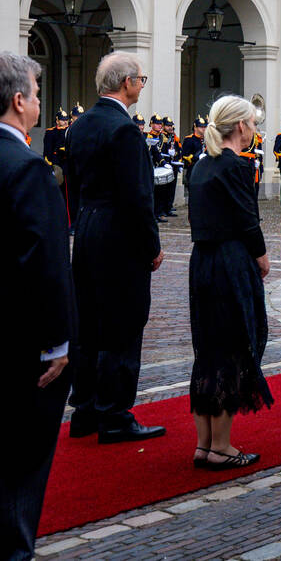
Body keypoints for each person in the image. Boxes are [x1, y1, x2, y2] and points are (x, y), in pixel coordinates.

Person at [64, 51, 165, 443]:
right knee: (122, 323)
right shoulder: (124, 131)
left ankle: (85, 410)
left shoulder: (81, 126)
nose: (142, 84)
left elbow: (73, 181)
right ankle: (115, 414)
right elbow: (137, 196)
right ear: (127, 83)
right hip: (119, 235)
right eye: (141, 78)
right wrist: (152, 245)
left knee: (88, 324)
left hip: (87, 229)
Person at [0, 52, 74, 561]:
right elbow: (45, 262)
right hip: (18, 345)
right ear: (18, 100)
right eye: (36, 91)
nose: (40, 101)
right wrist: (58, 343)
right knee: (19, 469)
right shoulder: (27, 168)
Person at [187, 95, 272, 470]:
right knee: (233, 349)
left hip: (202, 261)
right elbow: (246, 219)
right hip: (229, 262)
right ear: (240, 127)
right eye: (252, 124)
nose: (254, 130)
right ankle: (221, 446)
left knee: (207, 350)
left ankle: (204, 444)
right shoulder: (236, 166)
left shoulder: (202, 165)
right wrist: (262, 256)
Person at [42, 107, 71, 219]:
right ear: (57, 120)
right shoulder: (51, 132)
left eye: (65, 119)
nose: (64, 121)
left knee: (67, 194)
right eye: (62, 119)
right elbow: (47, 151)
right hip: (56, 164)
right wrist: (50, 166)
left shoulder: (70, 130)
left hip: (67, 164)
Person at [180, 115, 208, 208]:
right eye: (201, 127)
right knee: (194, 198)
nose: (204, 129)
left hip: (206, 171)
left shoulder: (207, 140)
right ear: (195, 127)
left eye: (205, 127)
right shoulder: (189, 139)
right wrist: (196, 157)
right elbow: (184, 156)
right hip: (194, 170)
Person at [159, 115, 182, 218]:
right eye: (168, 126)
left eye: (171, 125)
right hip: (165, 164)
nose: (170, 127)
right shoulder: (161, 136)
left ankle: (168, 208)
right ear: (163, 126)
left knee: (171, 188)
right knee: (164, 189)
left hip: (174, 164)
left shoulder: (173, 136)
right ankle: (162, 209)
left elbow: (178, 148)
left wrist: (177, 158)